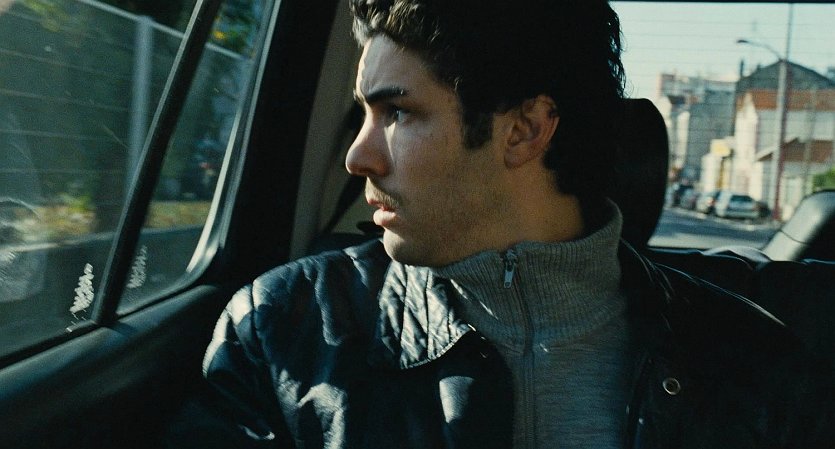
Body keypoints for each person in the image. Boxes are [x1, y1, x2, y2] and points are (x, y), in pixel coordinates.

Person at [187, 0, 835, 447]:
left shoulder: (754, 365)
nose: (358, 156)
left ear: (524, 129)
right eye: (364, 114)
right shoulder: (282, 331)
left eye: (398, 113)